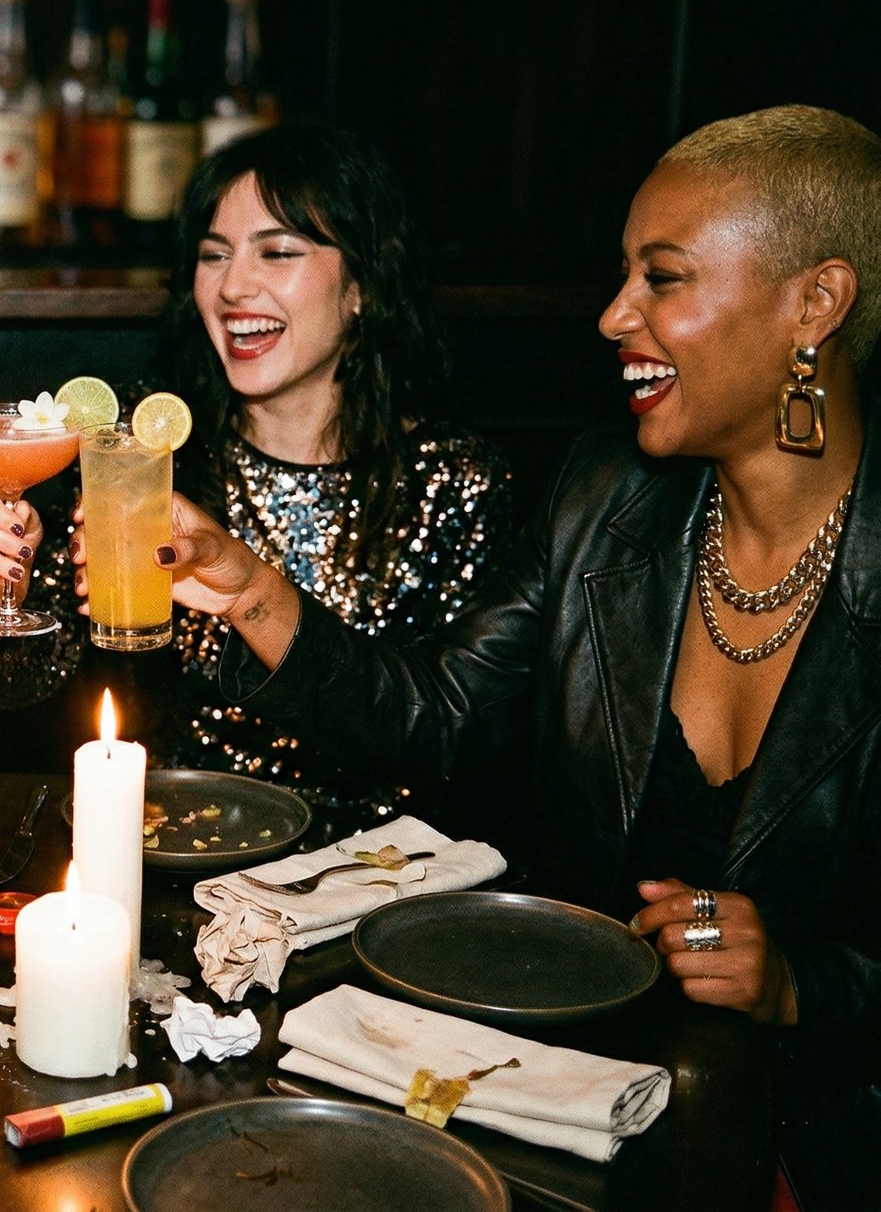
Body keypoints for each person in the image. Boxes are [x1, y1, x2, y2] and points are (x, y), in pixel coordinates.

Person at [119, 104, 881, 1196]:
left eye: (662, 279)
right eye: (624, 275)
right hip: (555, 1098)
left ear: (817, 302)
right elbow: (432, 718)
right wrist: (250, 589)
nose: (615, 314)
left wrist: (806, 985)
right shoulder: (603, 498)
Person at [0, 122, 509, 827]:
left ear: (363, 285)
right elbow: (19, 696)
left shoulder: (452, 479)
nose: (234, 286)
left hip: (379, 873)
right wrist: (9, 578)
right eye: (213, 256)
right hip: (175, 851)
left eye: (278, 252)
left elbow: (456, 744)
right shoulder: (140, 453)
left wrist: (251, 594)